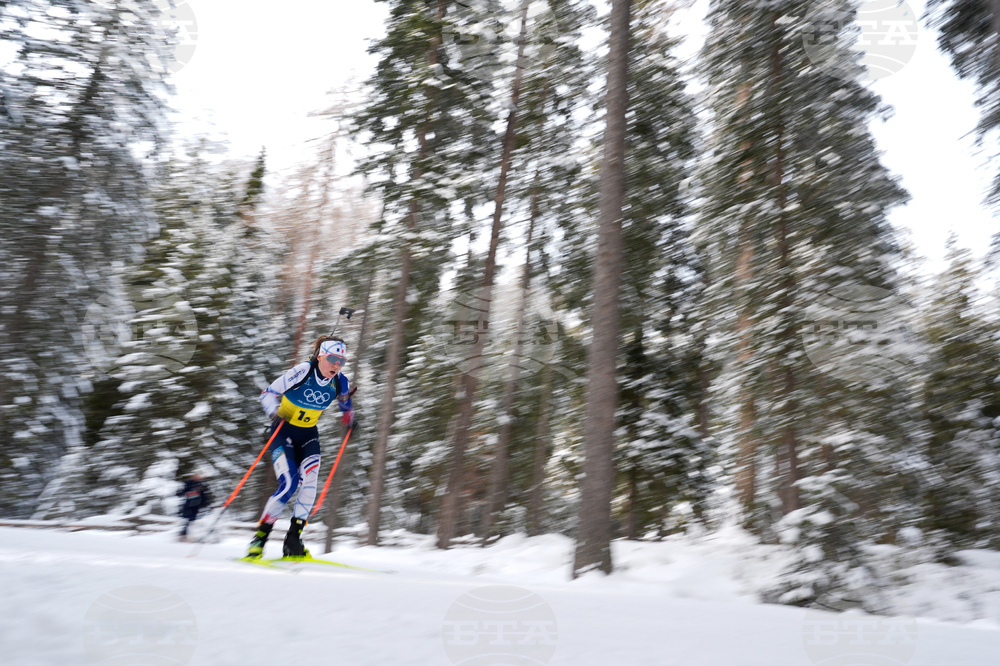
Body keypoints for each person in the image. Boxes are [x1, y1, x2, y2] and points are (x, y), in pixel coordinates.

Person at [245, 335, 356, 559]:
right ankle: (260, 538)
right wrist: (274, 414)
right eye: (332, 359)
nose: (336, 365)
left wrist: (350, 419)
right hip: (282, 433)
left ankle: (293, 540)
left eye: (341, 361)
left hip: (308, 435)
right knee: (289, 485)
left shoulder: (340, 382)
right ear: (320, 356)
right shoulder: (302, 371)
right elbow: (267, 394)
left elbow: (345, 405)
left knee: (310, 484)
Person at [176, 473, 212, 542]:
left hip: (196, 505)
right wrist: (188, 493)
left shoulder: (201, 485)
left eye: (198, 476)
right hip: (188, 505)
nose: (197, 477)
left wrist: (205, 504)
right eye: (195, 476)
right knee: (186, 520)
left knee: (192, 520)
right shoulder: (188, 483)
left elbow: (204, 496)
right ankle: (183, 535)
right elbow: (181, 493)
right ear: (192, 477)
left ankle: (191, 535)